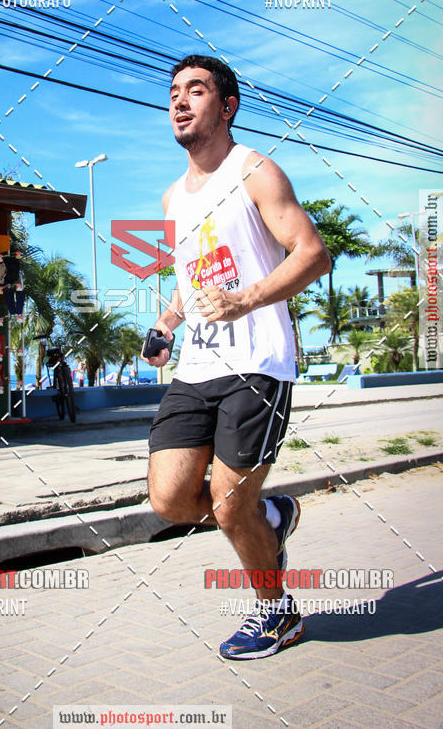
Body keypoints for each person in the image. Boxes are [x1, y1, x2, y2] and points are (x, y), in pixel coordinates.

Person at [143, 54, 331, 659]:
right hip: (196, 366)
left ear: (226, 107)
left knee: (228, 504)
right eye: (174, 91)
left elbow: (312, 253)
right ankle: (269, 518)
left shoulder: (256, 171)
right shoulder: (174, 196)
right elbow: (189, 276)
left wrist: (247, 299)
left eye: (195, 90)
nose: (179, 100)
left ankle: (276, 613)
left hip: (257, 364)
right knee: (169, 499)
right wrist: (166, 323)